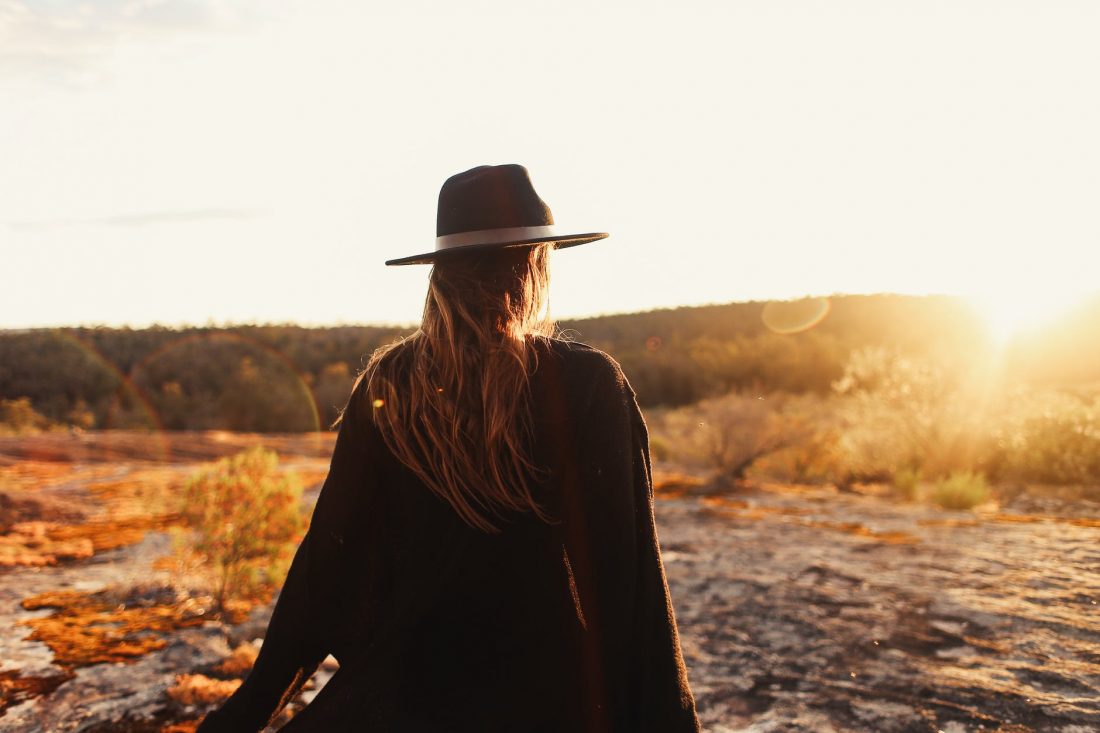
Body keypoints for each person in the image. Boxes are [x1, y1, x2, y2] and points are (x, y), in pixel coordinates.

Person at [196, 164, 699, 732]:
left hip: (399, 699)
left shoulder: (387, 383)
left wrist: (241, 717)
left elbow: (326, 568)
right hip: (543, 700)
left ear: (441, 272)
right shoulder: (584, 384)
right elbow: (626, 583)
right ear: (534, 265)